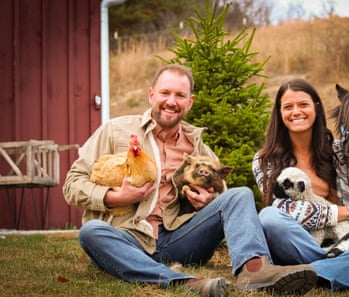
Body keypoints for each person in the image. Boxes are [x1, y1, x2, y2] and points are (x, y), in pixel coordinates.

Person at [63, 64, 318, 297]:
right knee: (91, 232)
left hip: (180, 239)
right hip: (129, 237)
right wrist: (114, 197)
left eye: (180, 96)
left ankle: (255, 270)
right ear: (152, 95)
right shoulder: (115, 130)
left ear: (190, 102)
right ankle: (184, 282)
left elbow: (224, 195)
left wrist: (208, 200)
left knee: (239, 194)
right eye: (165, 93)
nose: (171, 102)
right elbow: (72, 184)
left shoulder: (195, 144)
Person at [252, 78, 349, 290]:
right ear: (280, 113)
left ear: (316, 108)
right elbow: (282, 209)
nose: (296, 112)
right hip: (302, 243)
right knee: (269, 217)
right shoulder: (264, 160)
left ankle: (313, 272)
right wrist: (344, 212)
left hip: (348, 241)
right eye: (288, 107)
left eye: (303, 105)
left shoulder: (339, 152)